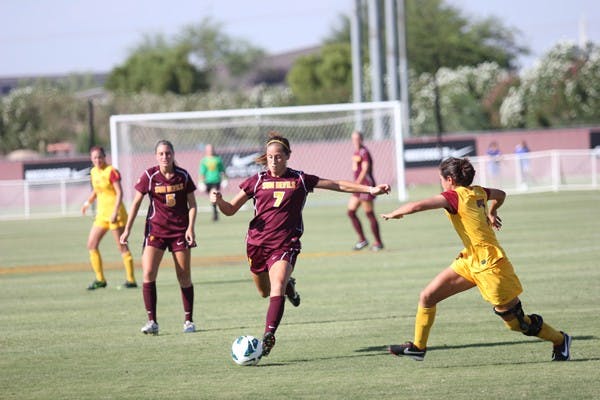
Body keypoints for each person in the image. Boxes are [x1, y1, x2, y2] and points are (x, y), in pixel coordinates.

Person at [210, 132, 390, 357]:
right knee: (265, 292)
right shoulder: (256, 181)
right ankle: (289, 286)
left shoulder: (300, 180)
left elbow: (337, 185)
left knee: (276, 286)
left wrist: (369, 189)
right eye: (270, 157)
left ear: (287, 156)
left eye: (278, 157)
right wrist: (218, 202)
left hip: (285, 244)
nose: (274, 161)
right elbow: (230, 210)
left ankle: (269, 335)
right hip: (256, 244)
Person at [381, 157, 571, 362]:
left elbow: (418, 205)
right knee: (427, 296)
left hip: (491, 265)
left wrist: (395, 213)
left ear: (450, 179)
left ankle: (560, 340)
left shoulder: (454, 196)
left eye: (441, 179)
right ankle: (418, 347)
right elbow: (501, 194)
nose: (441, 184)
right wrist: (492, 211)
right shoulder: (478, 191)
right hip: (471, 259)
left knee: (518, 324)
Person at [120, 140, 198, 335]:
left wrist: (190, 229)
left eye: (168, 153)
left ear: (173, 154)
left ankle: (188, 321)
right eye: (161, 154)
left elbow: (193, 205)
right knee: (148, 274)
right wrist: (127, 230)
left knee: (184, 276)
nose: (165, 157)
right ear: (156, 156)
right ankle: (152, 322)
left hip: (179, 232)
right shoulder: (149, 175)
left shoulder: (183, 176)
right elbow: (136, 203)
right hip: (156, 231)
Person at [82, 146, 137, 290]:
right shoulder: (94, 172)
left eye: (100, 157)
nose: (98, 160)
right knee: (91, 244)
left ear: (104, 157)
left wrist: (114, 212)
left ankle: (131, 280)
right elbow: (97, 190)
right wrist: (88, 202)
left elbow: (119, 193)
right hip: (102, 215)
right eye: (95, 158)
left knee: (122, 246)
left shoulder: (111, 171)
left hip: (115, 214)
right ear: (91, 159)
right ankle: (100, 280)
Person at [347, 131, 384, 251]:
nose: (355, 141)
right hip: (358, 186)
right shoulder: (356, 152)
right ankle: (362, 240)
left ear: (362, 139)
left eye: (357, 138)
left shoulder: (364, 152)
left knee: (369, 213)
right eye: (353, 138)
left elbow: (365, 169)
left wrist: (357, 183)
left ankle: (378, 242)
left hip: (366, 186)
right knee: (351, 212)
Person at [198, 144, 227, 221]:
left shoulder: (218, 159)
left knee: (213, 195)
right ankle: (215, 212)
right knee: (212, 198)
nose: (210, 150)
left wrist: (225, 179)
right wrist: (200, 182)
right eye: (208, 149)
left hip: (216, 181)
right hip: (207, 181)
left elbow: (222, 170)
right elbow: (202, 173)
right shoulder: (204, 160)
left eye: (211, 149)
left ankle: (215, 214)